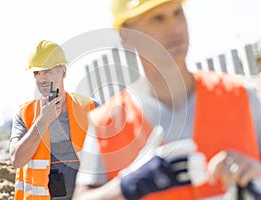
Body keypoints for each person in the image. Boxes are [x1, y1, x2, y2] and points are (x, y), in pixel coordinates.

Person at [73, 0, 261, 199]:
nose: (176, 28)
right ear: (126, 35)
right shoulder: (107, 123)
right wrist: (128, 184)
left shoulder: (240, 95)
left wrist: (257, 173)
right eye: (158, 18)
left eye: (178, 12)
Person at [9, 40, 99, 200]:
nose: (41, 79)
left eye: (47, 71)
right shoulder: (26, 114)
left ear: (63, 71)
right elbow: (17, 160)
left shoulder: (90, 107)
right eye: (36, 73)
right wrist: (44, 120)